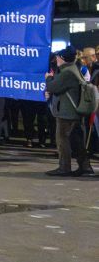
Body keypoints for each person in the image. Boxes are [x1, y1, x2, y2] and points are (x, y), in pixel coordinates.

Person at [45, 46, 91, 176]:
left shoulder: (67, 72)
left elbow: (52, 87)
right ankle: (85, 167)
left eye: (59, 57)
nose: (57, 59)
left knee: (62, 140)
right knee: (76, 141)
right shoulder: (73, 69)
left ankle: (64, 168)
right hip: (74, 112)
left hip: (67, 113)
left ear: (63, 59)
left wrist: (48, 77)